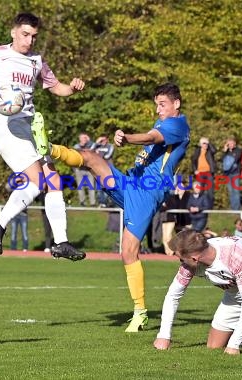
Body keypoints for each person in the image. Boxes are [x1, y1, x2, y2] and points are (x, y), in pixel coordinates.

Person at [45, 82, 190, 332]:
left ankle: (140, 312)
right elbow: (153, 136)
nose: (158, 109)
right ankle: (48, 149)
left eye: (162, 104)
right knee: (91, 158)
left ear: (176, 104)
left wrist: (127, 138)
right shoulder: (164, 122)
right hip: (131, 183)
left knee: (128, 252)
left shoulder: (177, 125)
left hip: (146, 194)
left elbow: (150, 137)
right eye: (156, 104)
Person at [0, 12, 85, 260]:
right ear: (13, 32)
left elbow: (57, 88)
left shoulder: (37, 61)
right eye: (25, 34)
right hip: (5, 127)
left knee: (52, 180)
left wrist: (72, 89)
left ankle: (61, 242)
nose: (29, 41)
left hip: (31, 128)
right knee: (39, 181)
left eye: (33, 36)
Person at [161, 186, 191, 255]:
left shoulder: (173, 197)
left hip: (171, 219)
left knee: (168, 235)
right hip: (164, 219)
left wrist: (165, 206)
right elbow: (161, 208)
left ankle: (171, 251)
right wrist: (164, 206)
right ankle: (167, 251)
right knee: (164, 237)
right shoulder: (163, 198)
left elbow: (173, 206)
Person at [191, 137, 216, 206]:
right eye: (204, 143)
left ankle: (210, 206)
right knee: (200, 190)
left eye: (206, 144)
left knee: (210, 190)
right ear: (200, 144)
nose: (205, 145)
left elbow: (214, 151)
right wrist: (195, 170)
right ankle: (200, 205)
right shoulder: (197, 151)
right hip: (200, 173)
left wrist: (208, 142)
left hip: (208, 173)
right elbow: (193, 160)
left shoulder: (209, 151)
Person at [73, 132, 96, 206]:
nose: (84, 139)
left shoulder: (90, 145)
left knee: (91, 186)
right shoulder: (76, 146)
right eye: (83, 138)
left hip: (89, 169)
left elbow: (93, 147)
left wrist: (89, 141)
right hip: (79, 169)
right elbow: (79, 153)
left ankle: (92, 203)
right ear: (80, 139)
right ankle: (82, 201)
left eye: (85, 138)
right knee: (80, 186)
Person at [92, 135, 115, 207]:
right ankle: (101, 202)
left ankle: (107, 202)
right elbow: (89, 151)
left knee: (107, 186)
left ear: (107, 140)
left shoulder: (110, 146)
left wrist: (98, 154)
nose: (103, 141)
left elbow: (107, 156)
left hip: (108, 169)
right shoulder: (97, 146)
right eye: (101, 140)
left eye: (104, 140)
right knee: (99, 187)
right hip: (98, 169)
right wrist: (96, 142)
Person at [221, 136, 242, 210]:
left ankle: (237, 208)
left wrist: (228, 156)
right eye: (229, 143)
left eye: (232, 143)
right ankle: (233, 208)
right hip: (227, 174)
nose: (230, 145)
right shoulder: (225, 152)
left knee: (236, 190)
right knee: (230, 191)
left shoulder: (238, 150)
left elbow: (235, 159)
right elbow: (222, 160)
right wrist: (225, 151)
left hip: (235, 173)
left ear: (234, 143)